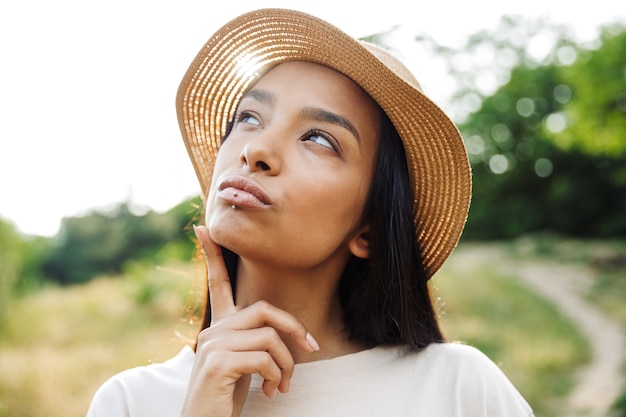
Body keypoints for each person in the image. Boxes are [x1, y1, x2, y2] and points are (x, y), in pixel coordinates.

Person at [86, 8, 533, 417]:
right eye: (249, 118)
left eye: (319, 138)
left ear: (370, 230)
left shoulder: (458, 389)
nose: (256, 150)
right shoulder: (132, 401)